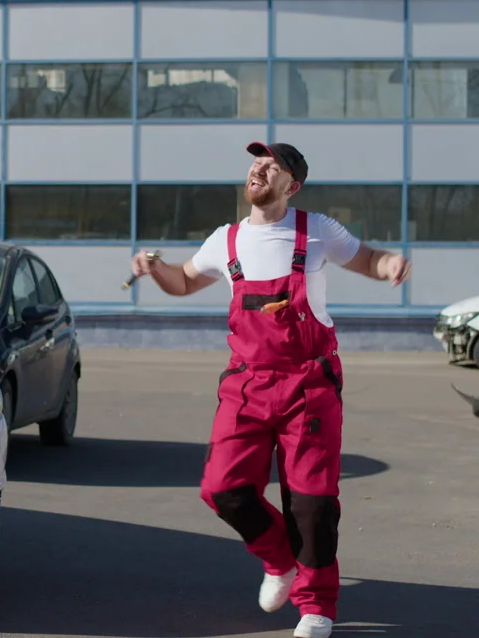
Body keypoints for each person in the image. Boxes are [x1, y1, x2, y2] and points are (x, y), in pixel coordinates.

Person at [131, 141, 411, 638]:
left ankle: (316, 606)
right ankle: (280, 561)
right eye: (256, 162)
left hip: (310, 382)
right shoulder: (226, 240)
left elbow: (368, 259)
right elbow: (184, 282)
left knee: (312, 502)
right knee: (224, 489)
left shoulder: (317, 231)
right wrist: (155, 268)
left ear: (291, 186)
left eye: (273, 166)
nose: (259, 168)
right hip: (247, 383)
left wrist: (391, 265)